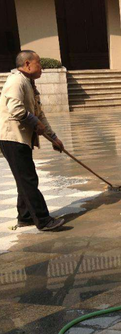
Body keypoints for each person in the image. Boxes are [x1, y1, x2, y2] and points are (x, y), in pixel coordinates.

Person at [0, 50, 65, 231]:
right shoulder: (16, 81)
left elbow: (39, 114)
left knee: (26, 178)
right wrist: (35, 123)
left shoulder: (28, 82)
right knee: (28, 179)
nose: (41, 67)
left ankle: (26, 216)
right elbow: (15, 109)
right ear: (27, 64)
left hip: (21, 138)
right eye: (38, 63)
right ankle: (43, 220)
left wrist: (54, 138)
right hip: (11, 138)